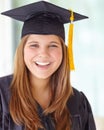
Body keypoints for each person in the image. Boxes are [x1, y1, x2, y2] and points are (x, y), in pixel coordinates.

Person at [0, 1, 96, 130]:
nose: (43, 54)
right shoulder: (2, 96)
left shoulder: (77, 102)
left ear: (64, 51)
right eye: (34, 45)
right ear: (22, 50)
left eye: (53, 45)